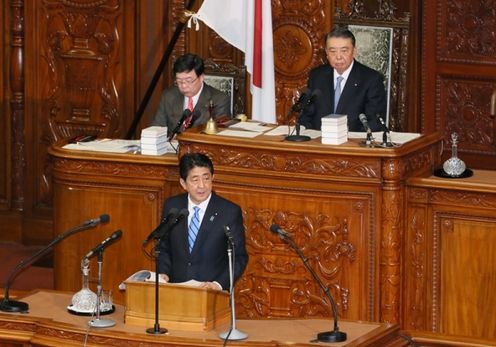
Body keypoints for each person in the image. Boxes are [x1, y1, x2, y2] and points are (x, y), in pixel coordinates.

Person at [157, 152, 248, 291]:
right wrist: (163, 273)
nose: (202, 186)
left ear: (213, 178)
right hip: (176, 290)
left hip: (211, 293)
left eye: (206, 178)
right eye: (195, 180)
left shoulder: (229, 212)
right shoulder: (172, 207)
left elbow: (239, 257)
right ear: (183, 183)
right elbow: (163, 248)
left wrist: (218, 284)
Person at [299, 27, 387, 132]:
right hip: (320, 143)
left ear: (354, 51)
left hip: (352, 144)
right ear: (326, 53)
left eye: (344, 51)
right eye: (333, 51)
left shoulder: (371, 79)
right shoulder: (317, 76)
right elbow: (306, 116)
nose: (338, 56)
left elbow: (373, 123)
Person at [151, 53, 231, 137]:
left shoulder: (219, 100)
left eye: (188, 81)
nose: (184, 86)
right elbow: (157, 128)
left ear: (201, 77)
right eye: (179, 81)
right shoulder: (168, 96)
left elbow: (219, 135)